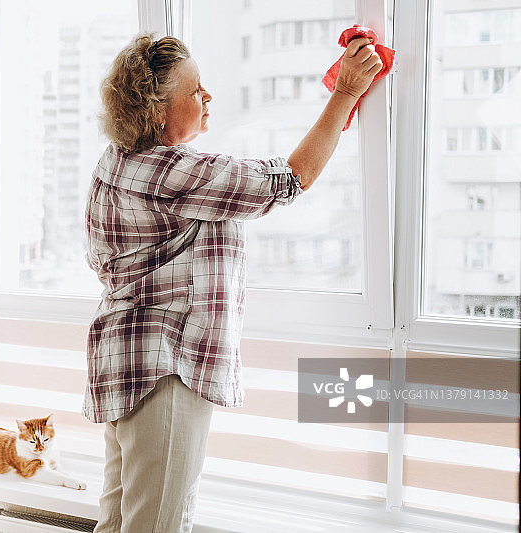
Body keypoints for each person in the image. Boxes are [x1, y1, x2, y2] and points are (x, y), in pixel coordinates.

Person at [83, 33, 382, 532]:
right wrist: (346, 93)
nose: (208, 97)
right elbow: (290, 178)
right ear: (158, 111)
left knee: (117, 527)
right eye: (195, 90)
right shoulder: (172, 174)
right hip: (165, 374)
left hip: (122, 369)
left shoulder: (113, 163)